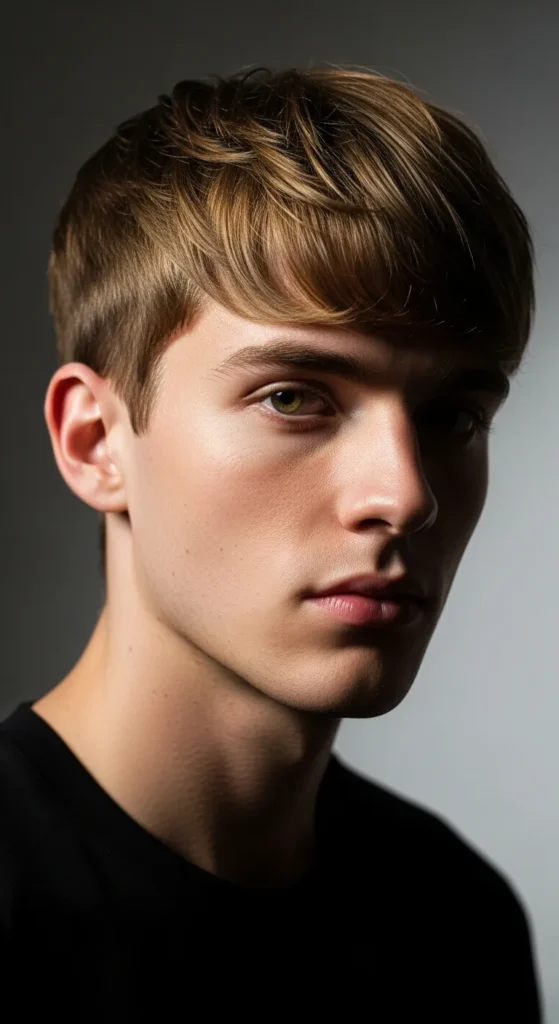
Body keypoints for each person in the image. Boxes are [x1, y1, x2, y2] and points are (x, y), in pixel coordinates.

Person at [0, 65, 542, 1018]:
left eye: (452, 416)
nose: (404, 495)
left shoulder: (456, 923)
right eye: (292, 397)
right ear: (94, 443)